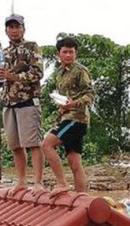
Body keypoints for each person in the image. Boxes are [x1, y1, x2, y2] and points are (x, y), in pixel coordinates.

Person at [0, 13, 45, 195]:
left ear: (23, 29)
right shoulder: (2, 53)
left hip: (28, 100)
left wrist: (13, 76)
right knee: (15, 145)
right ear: (6, 30)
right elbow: (0, 81)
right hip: (8, 103)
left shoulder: (32, 47)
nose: (14, 30)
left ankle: (38, 182)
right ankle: (22, 181)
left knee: (33, 143)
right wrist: (0, 75)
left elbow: (38, 73)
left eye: (17, 27)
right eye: (11, 27)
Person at [42, 37, 95, 195]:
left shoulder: (80, 70)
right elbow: (65, 97)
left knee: (46, 145)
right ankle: (81, 198)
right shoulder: (59, 73)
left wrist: (72, 104)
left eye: (71, 52)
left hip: (76, 119)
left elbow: (90, 94)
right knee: (74, 163)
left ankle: (62, 183)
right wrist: (62, 106)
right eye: (65, 52)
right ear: (59, 54)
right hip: (66, 117)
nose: (68, 55)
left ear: (75, 53)